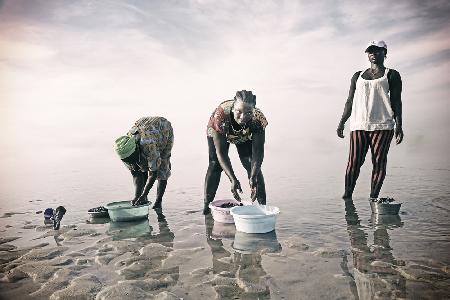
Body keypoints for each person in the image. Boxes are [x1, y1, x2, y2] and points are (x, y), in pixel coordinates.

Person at [337, 40, 404, 199]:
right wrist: (342, 122)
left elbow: (396, 102)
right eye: (370, 51)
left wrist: (399, 126)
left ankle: (373, 198)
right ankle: (347, 197)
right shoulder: (358, 76)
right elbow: (349, 101)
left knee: (379, 163)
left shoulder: (392, 74)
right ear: (367, 54)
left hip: (382, 125)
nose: (373, 53)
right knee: (353, 163)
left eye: (377, 50)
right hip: (359, 124)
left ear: (384, 53)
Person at [204, 90, 268, 214]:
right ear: (233, 107)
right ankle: (206, 208)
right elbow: (221, 154)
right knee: (215, 164)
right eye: (239, 112)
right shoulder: (220, 115)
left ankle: (264, 209)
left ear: (253, 110)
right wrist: (233, 179)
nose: (243, 117)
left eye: (248, 112)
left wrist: (253, 176)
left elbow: (258, 152)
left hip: (243, 134)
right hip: (220, 128)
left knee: (251, 164)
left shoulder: (257, 119)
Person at [114, 116, 174, 209]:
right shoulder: (123, 149)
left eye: (133, 159)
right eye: (129, 162)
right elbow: (136, 174)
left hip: (163, 129)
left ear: (136, 150)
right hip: (144, 127)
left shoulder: (148, 145)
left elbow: (153, 173)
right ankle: (140, 197)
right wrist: (137, 196)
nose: (132, 163)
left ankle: (158, 202)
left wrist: (144, 194)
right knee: (139, 168)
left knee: (162, 167)